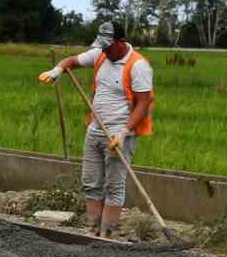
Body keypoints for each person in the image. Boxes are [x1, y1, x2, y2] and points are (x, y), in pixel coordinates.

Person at [40, 19, 155, 239]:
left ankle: (107, 234)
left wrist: (123, 132)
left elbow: (143, 104)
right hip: (95, 130)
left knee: (114, 186)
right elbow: (71, 61)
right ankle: (93, 231)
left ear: (121, 41)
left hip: (119, 134)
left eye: (108, 46)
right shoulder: (100, 54)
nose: (105, 51)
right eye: (102, 46)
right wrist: (57, 70)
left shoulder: (139, 66)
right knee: (90, 183)